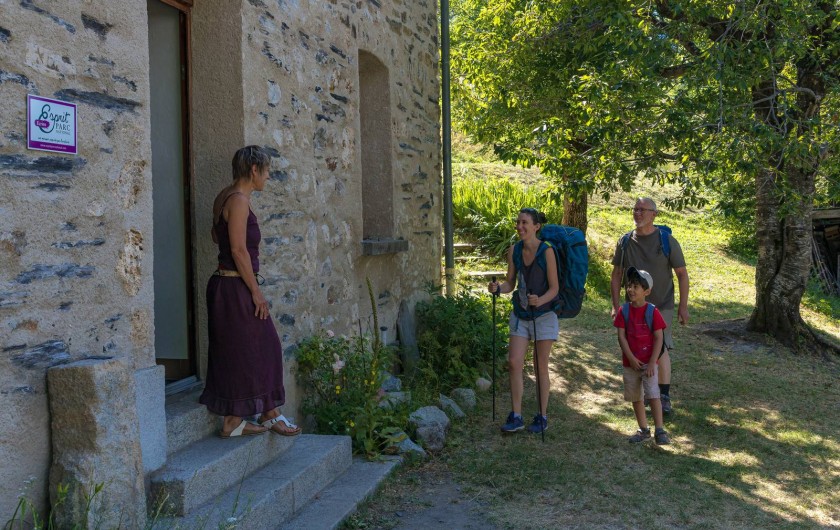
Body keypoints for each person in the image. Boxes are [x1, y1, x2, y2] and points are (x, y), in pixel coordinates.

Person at [199, 145, 301, 438]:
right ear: (254, 169)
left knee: (239, 352)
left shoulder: (225, 196)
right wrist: (256, 293)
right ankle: (270, 415)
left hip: (226, 284)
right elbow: (238, 250)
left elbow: (215, 234)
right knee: (267, 347)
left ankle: (235, 421)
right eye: (266, 170)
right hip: (235, 286)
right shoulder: (240, 200)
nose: (268, 176)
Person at [610, 197, 689, 414]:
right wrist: (616, 305)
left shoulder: (667, 241)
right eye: (635, 209)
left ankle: (663, 396)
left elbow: (681, 274)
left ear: (654, 214)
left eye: (642, 209)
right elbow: (617, 274)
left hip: (661, 305)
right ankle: (646, 393)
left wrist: (683, 306)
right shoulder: (625, 241)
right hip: (633, 306)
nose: (638, 213)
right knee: (637, 346)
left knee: (660, 347)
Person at [488, 208, 559, 434]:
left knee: (540, 366)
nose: (520, 226)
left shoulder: (547, 251)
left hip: (544, 315)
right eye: (518, 222)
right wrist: (499, 288)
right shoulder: (514, 251)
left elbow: (555, 288)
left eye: (525, 222)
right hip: (520, 313)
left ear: (536, 226)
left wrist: (540, 299)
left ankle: (542, 416)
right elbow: (510, 282)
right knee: (514, 362)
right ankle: (516, 415)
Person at [614, 267, 670, 445]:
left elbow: (659, 337)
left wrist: (653, 362)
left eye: (635, 286)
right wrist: (630, 357)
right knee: (636, 397)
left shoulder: (652, 312)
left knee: (654, 395)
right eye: (629, 285)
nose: (630, 289)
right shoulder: (624, 311)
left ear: (646, 291)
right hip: (630, 364)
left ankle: (660, 430)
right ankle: (643, 429)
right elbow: (621, 336)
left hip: (649, 364)